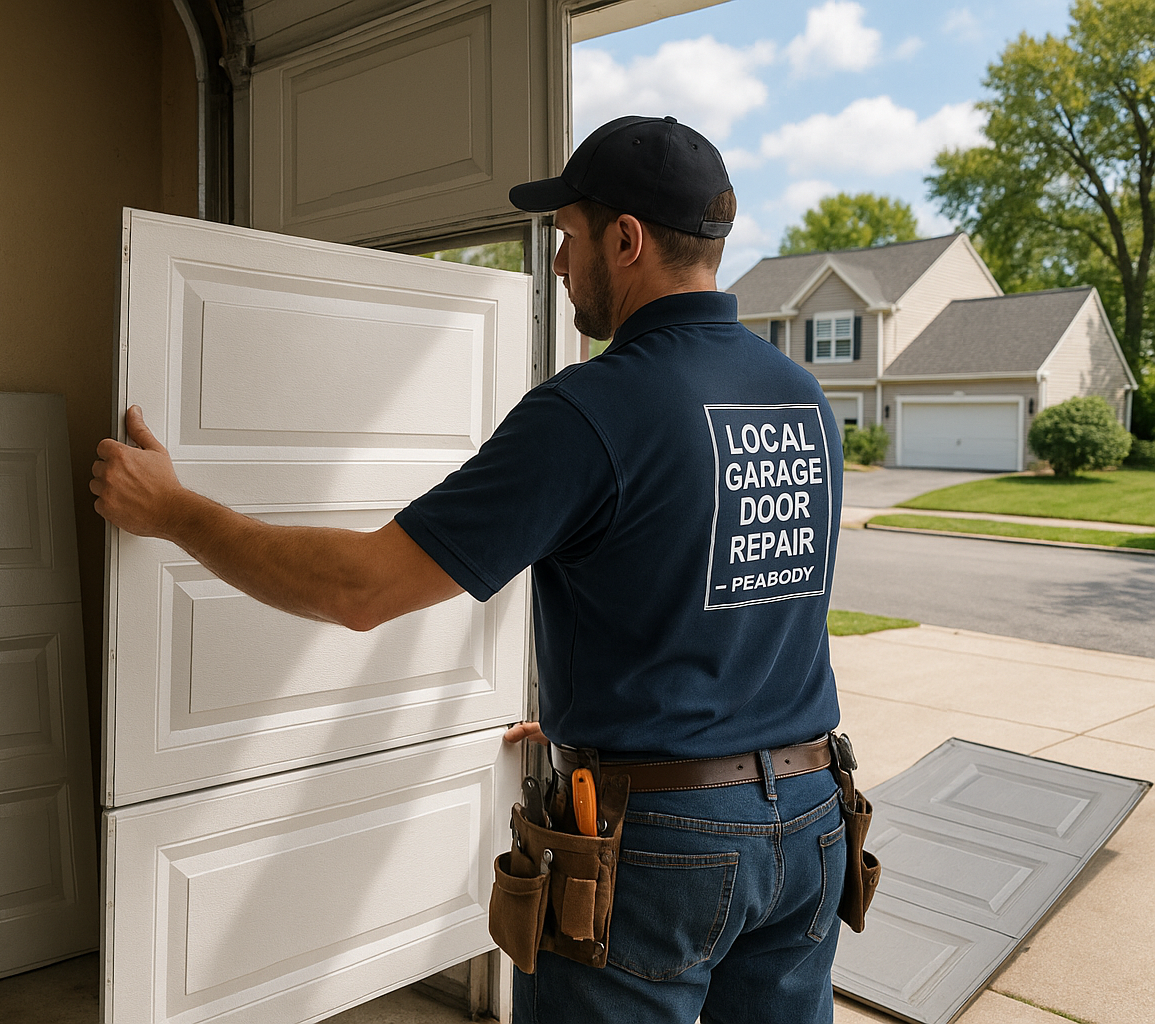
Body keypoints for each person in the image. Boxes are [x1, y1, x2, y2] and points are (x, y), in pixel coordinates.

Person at [91, 114, 845, 1024]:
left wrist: (175, 510)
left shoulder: (593, 410)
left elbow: (361, 588)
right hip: (810, 818)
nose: (560, 265)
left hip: (661, 849)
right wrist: (598, 720)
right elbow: (742, 590)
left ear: (627, 239)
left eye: (568, 236)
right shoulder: (802, 398)